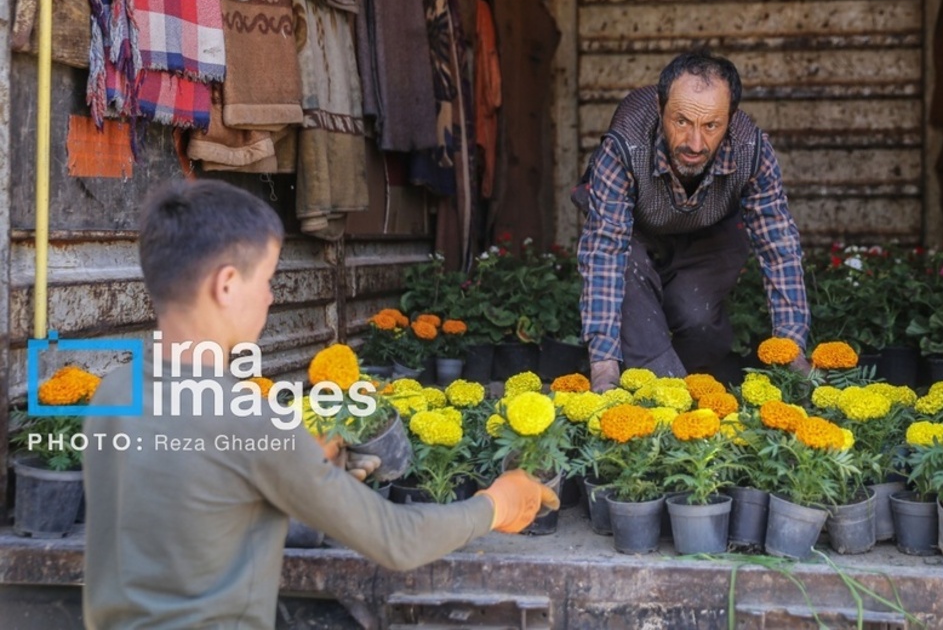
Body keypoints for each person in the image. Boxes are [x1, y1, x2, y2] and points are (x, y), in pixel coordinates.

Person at [83, 180, 556, 629]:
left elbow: (189, 513)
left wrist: (300, 469)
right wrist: (497, 503)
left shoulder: (114, 393)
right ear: (226, 285)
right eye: (267, 278)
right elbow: (395, 540)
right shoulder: (249, 419)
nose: (270, 297)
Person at [575, 50, 810, 391]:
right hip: (633, 232)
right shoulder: (624, 145)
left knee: (697, 318)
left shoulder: (752, 150)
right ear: (660, 109)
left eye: (711, 125)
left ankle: (685, 391)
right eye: (681, 121)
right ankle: (663, 399)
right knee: (634, 303)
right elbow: (605, 252)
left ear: (729, 119)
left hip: (707, 230)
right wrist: (602, 367)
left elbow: (780, 250)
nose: (695, 143)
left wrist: (793, 352)